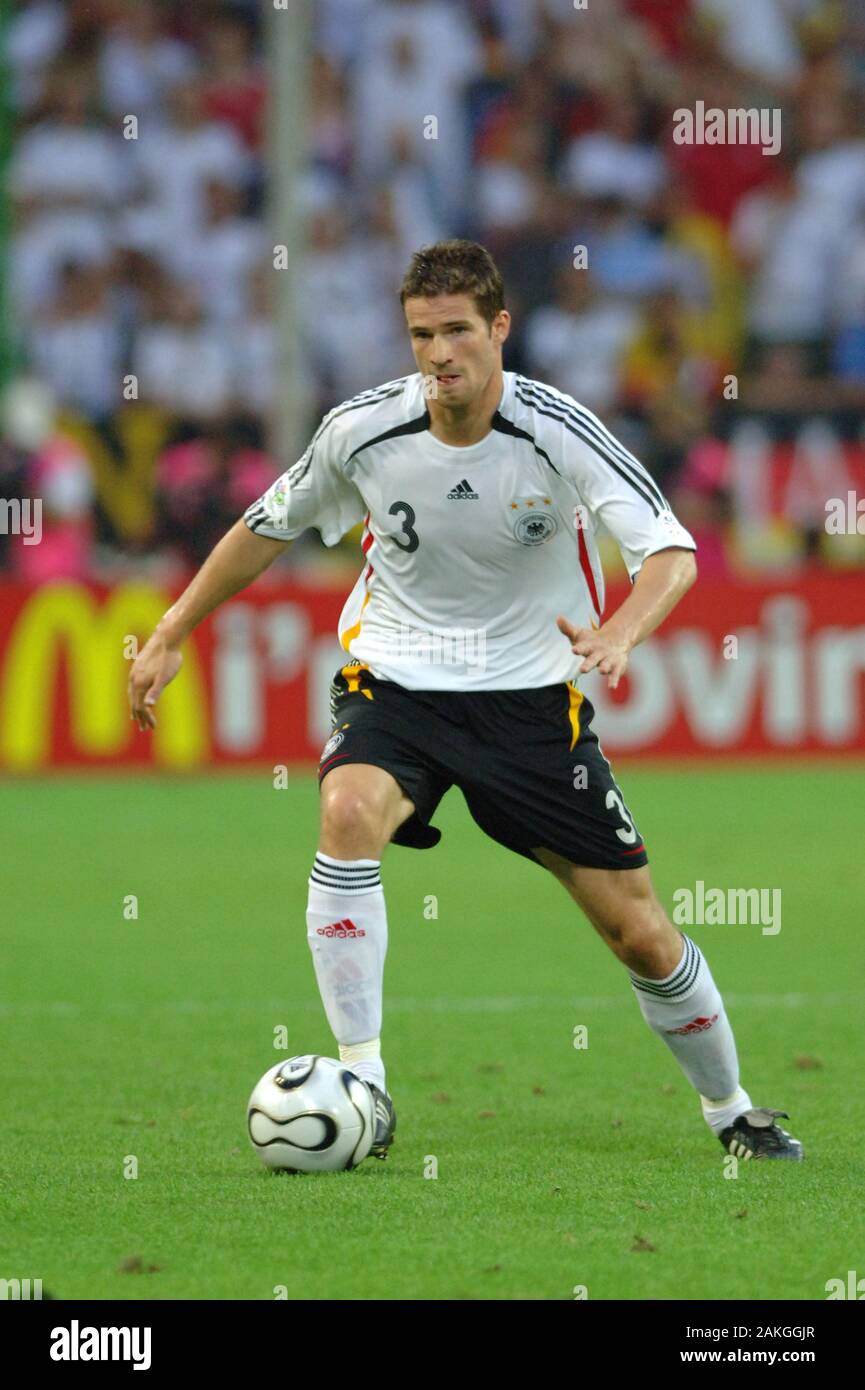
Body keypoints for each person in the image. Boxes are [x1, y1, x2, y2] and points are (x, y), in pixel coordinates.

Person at [128, 239, 803, 1163]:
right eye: (419, 335)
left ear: (498, 329)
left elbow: (670, 553)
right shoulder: (361, 429)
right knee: (346, 807)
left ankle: (731, 1108)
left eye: (455, 331)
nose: (438, 353)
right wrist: (172, 629)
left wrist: (619, 634)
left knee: (637, 931)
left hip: (528, 707)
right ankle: (361, 1077)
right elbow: (264, 527)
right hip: (396, 686)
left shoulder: (557, 428)